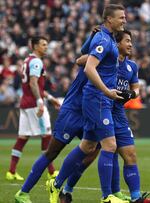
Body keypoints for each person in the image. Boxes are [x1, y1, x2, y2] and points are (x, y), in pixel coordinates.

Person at [14, 27, 125, 203]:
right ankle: (23, 192)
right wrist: (92, 38)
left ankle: (67, 187)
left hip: (90, 110)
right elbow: (81, 57)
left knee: (98, 147)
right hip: (73, 111)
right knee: (52, 152)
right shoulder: (94, 59)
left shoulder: (110, 63)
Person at [46, 4, 127, 203]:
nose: (124, 20)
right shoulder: (102, 39)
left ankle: (56, 184)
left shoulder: (108, 38)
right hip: (98, 99)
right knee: (110, 145)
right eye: (121, 18)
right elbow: (89, 68)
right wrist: (107, 90)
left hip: (100, 99)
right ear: (109, 20)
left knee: (88, 145)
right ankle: (107, 197)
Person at [77, 30, 150, 203]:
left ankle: (136, 198)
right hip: (101, 106)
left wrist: (131, 94)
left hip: (118, 112)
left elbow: (136, 88)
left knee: (130, 154)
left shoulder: (132, 66)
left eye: (131, 42)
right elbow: (81, 61)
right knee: (91, 150)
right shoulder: (107, 58)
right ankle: (92, 192)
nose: (130, 44)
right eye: (127, 41)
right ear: (117, 43)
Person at [6, 36, 61, 182]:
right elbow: (33, 83)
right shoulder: (36, 61)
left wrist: (51, 98)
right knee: (46, 135)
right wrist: (40, 102)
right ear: (35, 46)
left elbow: (36, 86)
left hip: (25, 103)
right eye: (43, 45)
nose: (46, 47)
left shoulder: (27, 60)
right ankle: (51, 171)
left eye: (46, 44)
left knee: (22, 137)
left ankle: (11, 171)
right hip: (33, 105)